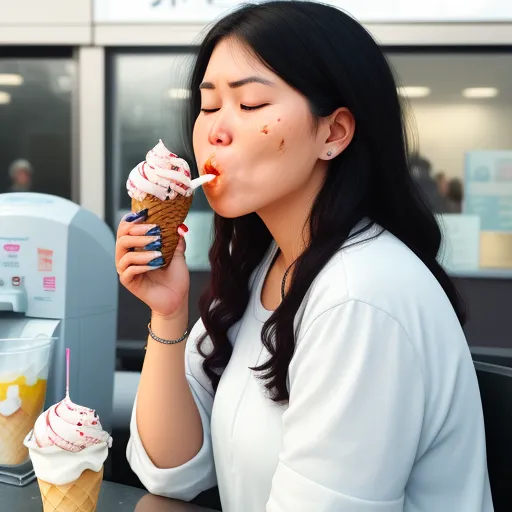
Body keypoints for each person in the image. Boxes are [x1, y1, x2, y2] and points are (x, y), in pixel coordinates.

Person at [116, 2, 493, 511]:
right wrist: (167, 312)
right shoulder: (264, 264)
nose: (215, 131)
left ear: (333, 133)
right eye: (208, 106)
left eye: (249, 104)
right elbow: (172, 472)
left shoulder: (361, 296)